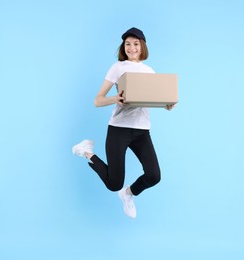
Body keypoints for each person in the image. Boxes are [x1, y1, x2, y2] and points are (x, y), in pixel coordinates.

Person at [72, 27, 174, 218]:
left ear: (142, 46)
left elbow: (153, 98)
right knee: (113, 183)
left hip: (142, 131)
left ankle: (128, 194)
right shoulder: (118, 68)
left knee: (154, 175)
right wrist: (115, 99)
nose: (131, 48)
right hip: (119, 129)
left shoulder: (150, 71)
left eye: (135, 44)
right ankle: (86, 151)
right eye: (128, 44)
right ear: (123, 47)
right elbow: (97, 100)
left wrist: (166, 105)